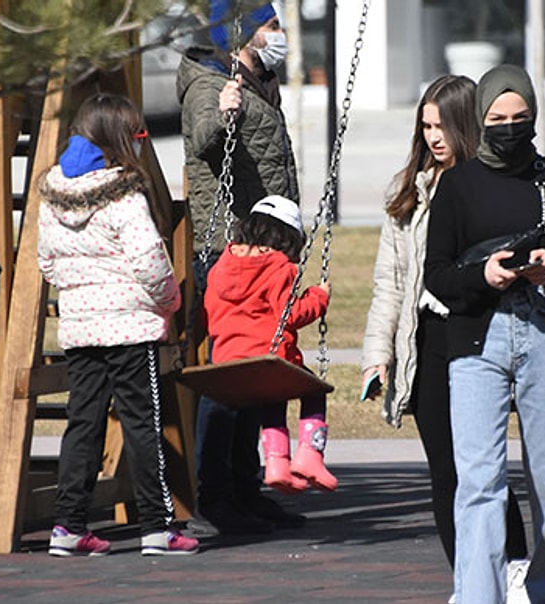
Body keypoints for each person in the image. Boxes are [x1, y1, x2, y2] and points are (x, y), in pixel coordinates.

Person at [424, 64, 545, 604]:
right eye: (497, 118)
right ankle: (478, 596)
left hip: (543, 333)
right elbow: (438, 274)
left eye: (520, 117)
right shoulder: (457, 185)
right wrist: (484, 274)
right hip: (476, 340)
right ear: (481, 120)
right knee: (478, 480)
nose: (509, 127)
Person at [359, 75, 528, 580]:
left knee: (482, 468)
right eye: (425, 126)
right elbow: (389, 282)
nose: (433, 137)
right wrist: (377, 353)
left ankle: (515, 571)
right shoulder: (409, 190)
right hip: (428, 338)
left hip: (477, 333)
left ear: (466, 126)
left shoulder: (487, 186)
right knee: (445, 471)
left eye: (442, 126)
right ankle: (468, 578)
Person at [37, 93, 198, 557]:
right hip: (130, 327)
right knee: (142, 424)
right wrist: (170, 301)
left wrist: (79, 291)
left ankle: (68, 525)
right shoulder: (124, 194)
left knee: (81, 424)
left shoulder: (52, 192)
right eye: (137, 135)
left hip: (82, 327)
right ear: (117, 140)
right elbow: (150, 261)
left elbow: (46, 261)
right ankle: (157, 525)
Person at [177, 0, 303, 533]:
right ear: (244, 33)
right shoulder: (212, 83)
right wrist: (223, 110)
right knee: (231, 375)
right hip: (227, 246)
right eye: (271, 26)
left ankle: (246, 485)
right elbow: (199, 138)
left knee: (258, 373)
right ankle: (216, 491)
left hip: (263, 245)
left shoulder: (260, 77)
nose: (279, 34)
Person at [205, 195, 337, 493]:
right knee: (314, 391)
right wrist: (319, 296)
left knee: (271, 398)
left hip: (226, 360)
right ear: (287, 239)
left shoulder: (221, 266)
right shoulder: (280, 268)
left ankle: (277, 467)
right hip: (268, 360)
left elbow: (210, 309)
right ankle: (309, 456)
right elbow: (290, 314)